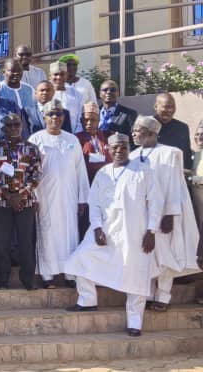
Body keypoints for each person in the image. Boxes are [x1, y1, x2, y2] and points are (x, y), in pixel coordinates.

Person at [64, 133, 159, 337]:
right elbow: (94, 202)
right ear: (108, 149)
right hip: (106, 230)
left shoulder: (143, 171)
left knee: (136, 275)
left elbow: (155, 202)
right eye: (114, 147)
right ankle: (87, 300)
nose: (119, 150)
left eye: (123, 146)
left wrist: (151, 231)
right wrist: (97, 227)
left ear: (128, 147)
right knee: (80, 259)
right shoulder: (103, 172)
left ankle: (135, 322)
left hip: (134, 231)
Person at [129, 116, 201, 311]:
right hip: (144, 215)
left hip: (166, 215)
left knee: (167, 254)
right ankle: (150, 294)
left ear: (152, 133)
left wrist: (169, 214)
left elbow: (174, 185)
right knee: (149, 255)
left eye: (138, 130)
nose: (134, 133)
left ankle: (163, 296)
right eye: (134, 130)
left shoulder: (169, 153)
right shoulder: (133, 156)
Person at [28, 99, 89, 289]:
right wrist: (33, 198)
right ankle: (48, 276)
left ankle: (70, 273)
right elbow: (29, 172)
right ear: (44, 117)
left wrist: (82, 199)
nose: (55, 117)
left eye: (59, 114)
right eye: (51, 114)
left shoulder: (72, 140)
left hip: (69, 198)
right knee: (46, 234)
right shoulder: (35, 140)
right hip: (44, 197)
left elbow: (81, 171)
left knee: (70, 234)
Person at [0, 114, 42, 290]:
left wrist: (20, 195)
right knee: (2, 243)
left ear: (21, 126)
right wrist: (7, 196)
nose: (12, 128)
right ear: (3, 128)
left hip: (25, 202)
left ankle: (28, 279)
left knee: (26, 242)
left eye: (16, 124)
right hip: (2, 203)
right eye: (9, 125)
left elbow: (37, 174)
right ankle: (2, 280)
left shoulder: (31, 149)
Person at [76, 102, 111, 238]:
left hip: (106, 189)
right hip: (87, 189)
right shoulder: (76, 139)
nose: (89, 123)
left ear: (99, 120)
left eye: (93, 119)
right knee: (86, 226)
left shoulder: (107, 136)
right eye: (85, 120)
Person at [154, 93, 193, 170]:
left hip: (176, 174)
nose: (170, 110)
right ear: (156, 107)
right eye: (166, 107)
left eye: (173, 107)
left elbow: (186, 154)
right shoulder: (146, 125)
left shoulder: (182, 128)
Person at [0, 59, 37, 129]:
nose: (16, 73)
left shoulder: (29, 89)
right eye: (12, 71)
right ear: (4, 72)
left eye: (19, 70)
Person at [48, 60, 84, 133]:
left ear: (66, 75)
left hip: (74, 135)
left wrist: (76, 135)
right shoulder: (46, 94)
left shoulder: (77, 94)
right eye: (55, 74)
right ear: (50, 76)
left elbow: (80, 118)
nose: (59, 77)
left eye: (62, 74)